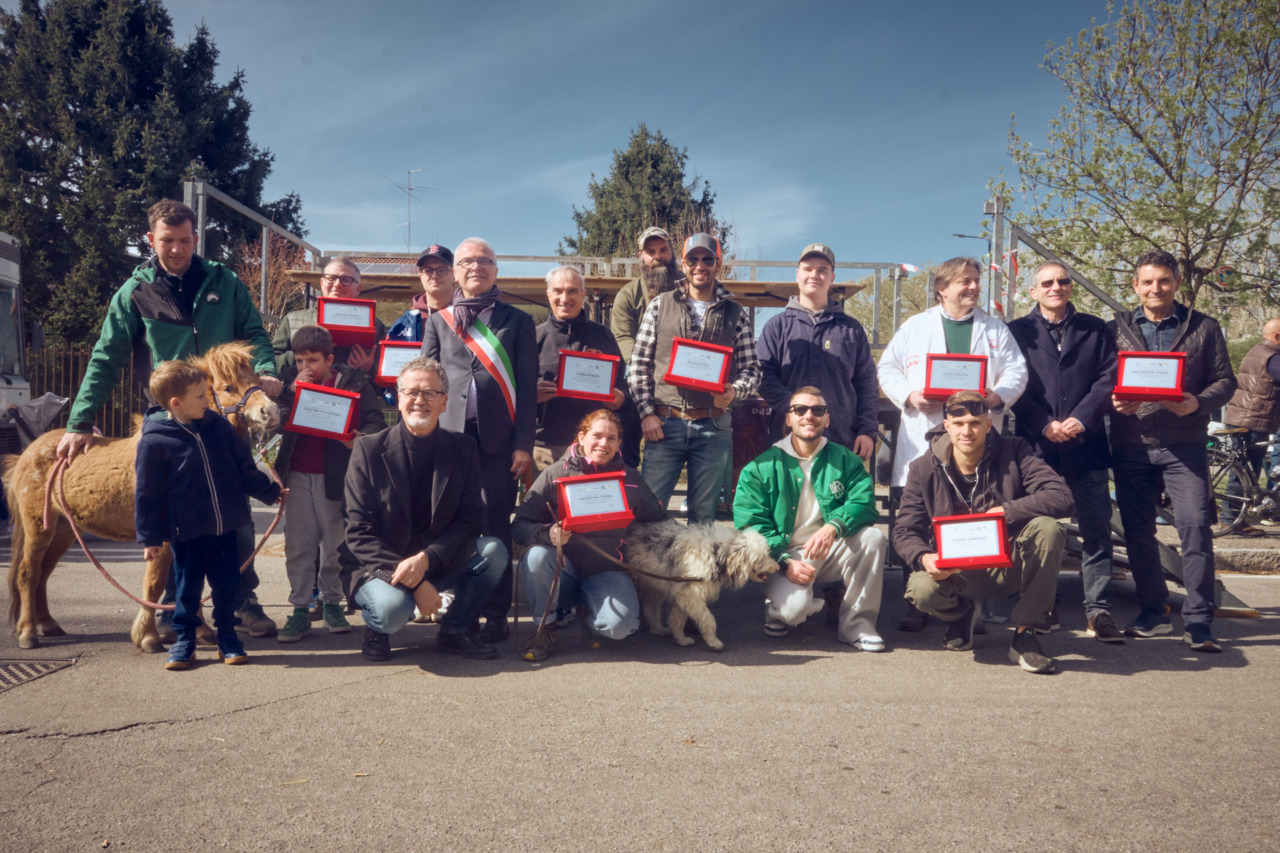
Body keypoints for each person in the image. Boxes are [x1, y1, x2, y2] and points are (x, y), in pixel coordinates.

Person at [57, 199, 282, 638]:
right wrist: (79, 422)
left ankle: (239, 597)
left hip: (223, 418)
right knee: (175, 514)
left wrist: (267, 369)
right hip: (169, 419)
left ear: (196, 238)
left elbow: (254, 333)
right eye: (167, 241)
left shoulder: (225, 281)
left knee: (233, 510)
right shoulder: (134, 292)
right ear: (151, 239)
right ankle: (173, 606)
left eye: (184, 240)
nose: (176, 249)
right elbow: (106, 358)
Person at [876, 256, 1028, 632]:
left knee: (970, 515)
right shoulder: (916, 326)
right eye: (964, 281)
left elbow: (1017, 370)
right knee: (918, 518)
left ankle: (969, 599)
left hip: (975, 435)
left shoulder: (995, 331)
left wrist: (996, 396)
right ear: (942, 289)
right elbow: (887, 368)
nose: (973, 287)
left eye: (976, 280)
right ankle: (917, 600)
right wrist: (910, 396)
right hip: (924, 433)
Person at [892, 392, 1074, 674]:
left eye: (976, 422)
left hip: (1009, 565)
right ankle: (962, 615)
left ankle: (1026, 634)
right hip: (955, 572)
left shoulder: (1016, 451)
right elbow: (904, 530)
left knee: (1049, 529)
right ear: (946, 425)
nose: (967, 431)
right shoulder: (922, 468)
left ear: (989, 425)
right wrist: (925, 558)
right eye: (960, 422)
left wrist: (1006, 511)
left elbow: (1061, 497)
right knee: (921, 590)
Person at [1109, 249, 1235, 652]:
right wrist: (1113, 399)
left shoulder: (1205, 326)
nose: (1155, 288)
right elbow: (1102, 379)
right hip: (1132, 444)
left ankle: (1198, 619)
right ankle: (1154, 609)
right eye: (1147, 281)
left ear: (1177, 283)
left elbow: (1225, 381)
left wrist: (1198, 402)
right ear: (1135, 286)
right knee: (1138, 531)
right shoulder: (1116, 327)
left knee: (1196, 527)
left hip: (1185, 444)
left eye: (1163, 280)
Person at [343, 357, 508, 661]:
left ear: (444, 402)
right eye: (411, 392)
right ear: (398, 398)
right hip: (381, 566)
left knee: (494, 552)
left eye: (430, 393)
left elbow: (470, 520)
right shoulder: (367, 449)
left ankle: (455, 630)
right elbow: (358, 531)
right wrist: (416, 582)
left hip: (437, 560)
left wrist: (427, 559)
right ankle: (377, 630)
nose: (420, 400)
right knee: (392, 612)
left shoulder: (463, 449)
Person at [420, 237, 537, 644]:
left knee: (494, 526)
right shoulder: (438, 321)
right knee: (451, 527)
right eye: (468, 261)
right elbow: (425, 381)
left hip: (497, 445)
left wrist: (523, 443)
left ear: (496, 270)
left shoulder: (519, 321)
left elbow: (525, 389)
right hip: (448, 442)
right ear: (456, 272)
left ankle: (495, 610)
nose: (476, 267)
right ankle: (458, 607)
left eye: (485, 261)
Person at [134, 360, 284, 670]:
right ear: (177, 403)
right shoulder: (155, 441)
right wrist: (150, 537)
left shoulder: (218, 427)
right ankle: (185, 641)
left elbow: (244, 467)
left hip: (226, 527)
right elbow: (147, 494)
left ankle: (228, 637)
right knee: (187, 589)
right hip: (187, 532)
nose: (208, 400)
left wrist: (270, 492)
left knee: (227, 586)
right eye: (201, 395)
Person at [1007, 262, 1123, 642]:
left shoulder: (1096, 328)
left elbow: (1109, 377)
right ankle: (1043, 604)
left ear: (1070, 288)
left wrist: (1082, 418)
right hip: (1037, 449)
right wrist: (1043, 423)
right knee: (1041, 531)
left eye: (1062, 281)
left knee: (1096, 531)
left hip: (1085, 445)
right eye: (1047, 283)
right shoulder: (1016, 332)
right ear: (1033, 292)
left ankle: (1098, 610)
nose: (1056, 287)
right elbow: (1013, 384)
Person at [733, 386, 887, 650]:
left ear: (827, 419)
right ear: (788, 418)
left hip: (830, 550)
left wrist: (833, 527)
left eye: (818, 410)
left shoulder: (846, 460)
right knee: (793, 613)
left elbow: (864, 503)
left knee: (873, 537)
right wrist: (782, 563)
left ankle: (857, 624)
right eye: (800, 410)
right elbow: (750, 526)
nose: (809, 416)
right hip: (783, 555)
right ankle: (779, 609)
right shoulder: (759, 467)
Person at [513, 409, 666, 662]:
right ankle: (547, 626)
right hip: (562, 569)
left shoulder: (631, 479)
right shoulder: (555, 473)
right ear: (581, 437)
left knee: (620, 628)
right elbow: (519, 525)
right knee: (537, 556)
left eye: (612, 438)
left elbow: (659, 520)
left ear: (619, 443)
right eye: (597, 436)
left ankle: (588, 612)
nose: (603, 444)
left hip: (607, 570)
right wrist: (547, 533)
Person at [628, 232, 761, 524]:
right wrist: (647, 414)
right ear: (684, 265)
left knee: (703, 518)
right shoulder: (660, 305)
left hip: (713, 427)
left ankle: (693, 572)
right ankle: (648, 572)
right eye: (693, 259)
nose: (700, 265)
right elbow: (638, 365)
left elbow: (752, 370)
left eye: (707, 259)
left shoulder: (736, 313)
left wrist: (734, 392)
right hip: (663, 425)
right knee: (649, 511)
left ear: (718, 264)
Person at [272, 326, 387, 642]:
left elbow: (375, 421)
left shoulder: (354, 382)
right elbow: (276, 424)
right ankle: (299, 609)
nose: (306, 368)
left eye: (313, 360)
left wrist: (358, 440)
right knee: (298, 546)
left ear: (330, 359)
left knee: (335, 546)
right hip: (297, 476)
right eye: (299, 360)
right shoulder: (293, 387)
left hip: (337, 478)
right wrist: (289, 393)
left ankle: (332, 603)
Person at [757, 243, 878, 466]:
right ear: (798, 275)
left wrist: (868, 430)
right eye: (808, 269)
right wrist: (797, 410)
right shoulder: (777, 327)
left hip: (842, 438)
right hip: (788, 438)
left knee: (839, 500)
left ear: (832, 278)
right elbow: (763, 375)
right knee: (790, 500)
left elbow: (867, 383)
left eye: (822, 270)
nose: (815, 275)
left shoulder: (851, 329)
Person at [533, 266, 626, 469]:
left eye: (572, 290)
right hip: (543, 448)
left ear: (583, 294)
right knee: (540, 502)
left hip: (594, 449)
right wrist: (531, 394)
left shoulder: (603, 336)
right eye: (558, 291)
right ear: (548, 294)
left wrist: (619, 398)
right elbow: (512, 391)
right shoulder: (533, 338)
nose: (565, 298)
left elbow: (622, 385)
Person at [611, 226, 678, 468]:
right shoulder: (627, 295)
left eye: (663, 250)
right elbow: (622, 337)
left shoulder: (688, 288)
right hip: (639, 378)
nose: (658, 256)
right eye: (650, 251)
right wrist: (649, 368)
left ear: (673, 252)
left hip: (681, 380)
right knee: (625, 425)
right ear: (640, 256)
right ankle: (627, 477)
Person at [272, 256, 386, 381]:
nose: (337, 284)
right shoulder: (293, 319)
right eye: (331, 278)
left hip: (350, 396)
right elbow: (271, 363)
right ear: (322, 283)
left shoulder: (375, 326)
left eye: (346, 279)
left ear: (358, 289)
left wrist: (368, 368)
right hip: (300, 396)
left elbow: (384, 378)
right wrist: (303, 354)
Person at [1218, 318, 1280, 534]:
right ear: (1277, 336)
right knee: (1242, 471)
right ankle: (1229, 518)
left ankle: (1235, 518)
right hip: (1253, 420)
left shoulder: (1258, 351)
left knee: (1245, 470)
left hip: (1245, 417)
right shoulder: (1273, 357)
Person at [386, 245, 455, 342]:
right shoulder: (402, 324)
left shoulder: (468, 318)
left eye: (442, 270)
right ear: (421, 277)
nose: (434, 276)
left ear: (454, 274)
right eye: (428, 270)